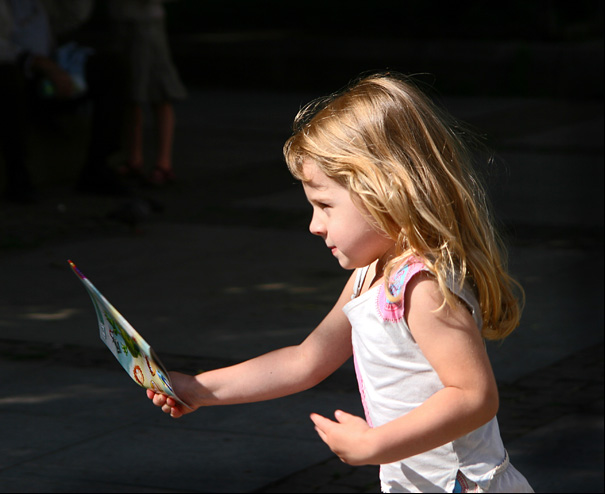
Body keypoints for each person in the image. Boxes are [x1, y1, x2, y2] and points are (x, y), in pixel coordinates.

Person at [145, 73, 533, 492]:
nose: (314, 225)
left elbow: (474, 395)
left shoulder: (420, 285)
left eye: (325, 205)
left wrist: (375, 444)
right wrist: (199, 388)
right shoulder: (371, 275)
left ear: (384, 190)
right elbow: (305, 360)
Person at [0, 0, 131, 202]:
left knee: (111, 67)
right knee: (5, 78)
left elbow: (74, 14)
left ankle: (97, 167)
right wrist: (33, 61)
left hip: (43, 83)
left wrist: (48, 67)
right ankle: (17, 175)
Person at [107, 0, 187, 186]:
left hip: (146, 22)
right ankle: (134, 158)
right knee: (129, 93)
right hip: (122, 19)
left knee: (158, 91)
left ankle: (163, 163)